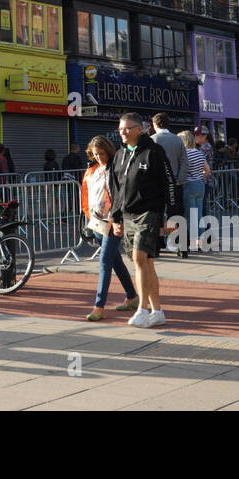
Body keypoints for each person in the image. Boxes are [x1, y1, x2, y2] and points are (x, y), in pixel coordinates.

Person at [109, 112, 178, 329]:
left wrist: (173, 215)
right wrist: (116, 217)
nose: (123, 132)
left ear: (141, 128)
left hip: (149, 212)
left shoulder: (154, 152)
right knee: (146, 262)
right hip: (128, 214)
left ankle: (142, 309)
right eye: (121, 129)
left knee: (139, 258)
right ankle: (158, 311)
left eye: (128, 128)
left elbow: (169, 184)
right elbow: (116, 189)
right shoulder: (119, 155)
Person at [81, 134, 138, 321]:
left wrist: (117, 219)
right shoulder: (94, 170)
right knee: (115, 261)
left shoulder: (115, 168)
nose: (98, 157)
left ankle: (99, 306)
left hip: (113, 221)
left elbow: (120, 195)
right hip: (97, 221)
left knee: (105, 262)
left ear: (109, 151)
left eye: (102, 153)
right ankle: (131, 296)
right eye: (95, 154)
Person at [177, 131, 211, 256]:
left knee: (190, 217)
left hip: (188, 186)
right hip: (200, 185)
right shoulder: (199, 153)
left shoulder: (184, 154)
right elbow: (207, 170)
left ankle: (193, 244)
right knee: (199, 215)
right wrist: (199, 176)